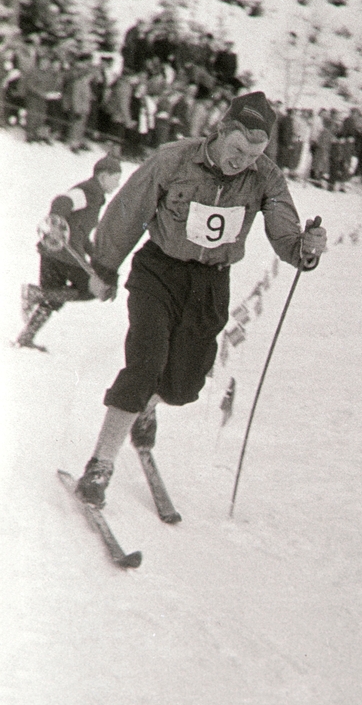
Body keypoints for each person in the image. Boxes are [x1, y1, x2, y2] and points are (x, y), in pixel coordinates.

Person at [71, 91, 327, 507]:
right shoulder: (174, 159)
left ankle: (149, 406)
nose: (243, 160)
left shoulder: (265, 177)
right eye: (238, 148)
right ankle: (100, 465)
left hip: (210, 285)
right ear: (221, 132)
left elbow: (286, 233)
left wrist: (306, 248)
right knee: (145, 363)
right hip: (160, 271)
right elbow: (127, 210)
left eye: (255, 152)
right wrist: (104, 267)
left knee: (183, 385)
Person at [16, 154, 123, 350]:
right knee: (91, 290)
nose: (117, 185)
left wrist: (94, 253)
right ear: (103, 176)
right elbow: (62, 201)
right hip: (65, 254)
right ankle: (35, 293)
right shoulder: (90, 190)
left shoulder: (95, 195)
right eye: (116, 179)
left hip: (52, 251)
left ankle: (25, 337)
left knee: (53, 296)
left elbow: (80, 232)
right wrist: (56, 223)